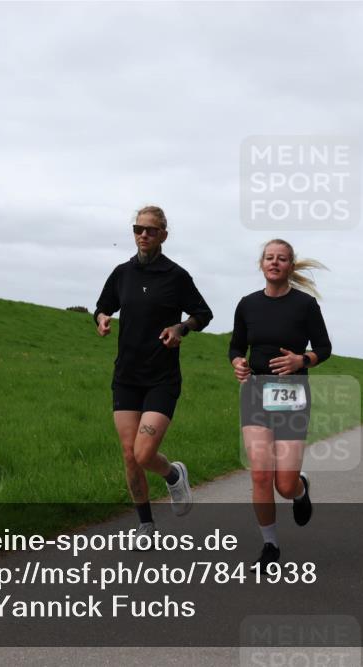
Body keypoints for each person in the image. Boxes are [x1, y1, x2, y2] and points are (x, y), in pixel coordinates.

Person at [94, 205, 213, 544]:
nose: (142, 234)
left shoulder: (175, 276)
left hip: (161, 377)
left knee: (145, 453)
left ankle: (173, 474)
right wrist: (102, 318)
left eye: (149, 230)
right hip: (126, 376)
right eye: (137, 229)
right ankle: (145, 525)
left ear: (163, 234)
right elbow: (103, 305)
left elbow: (203, 313)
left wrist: (180, 327)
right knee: (129, 454)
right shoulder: (122, 273)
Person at [229, 239, 331, 568]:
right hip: (256, 391)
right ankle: (270, 547)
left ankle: (300, 490)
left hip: (291, 391)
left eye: (282, 259)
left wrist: (302, 360)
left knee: (283, 484)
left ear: (290, 266)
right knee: (260, 476)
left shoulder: (305, 305)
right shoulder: (247, 304)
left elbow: (324, 348)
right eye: (270, 258)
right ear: (262, 264)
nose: (275, 263)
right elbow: (235, 347)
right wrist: (237, 363)